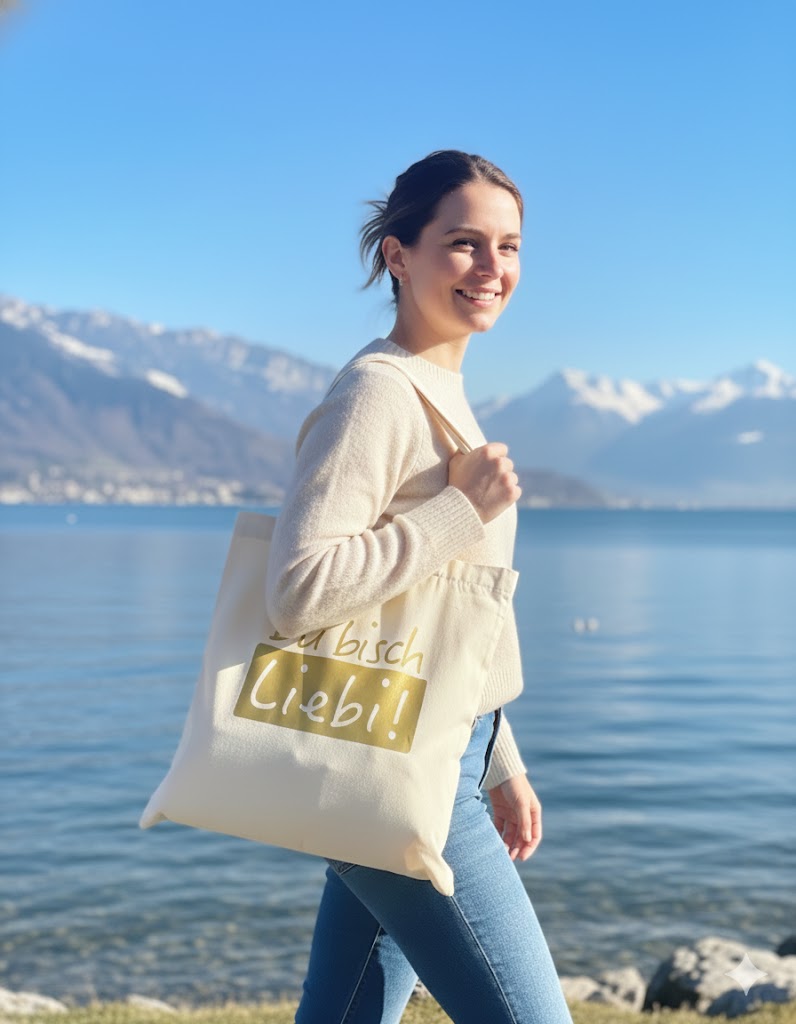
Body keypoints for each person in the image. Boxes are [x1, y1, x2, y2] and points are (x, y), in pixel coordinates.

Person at [265, 150, 573, 1024]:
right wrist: (456, 515)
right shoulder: (377, 394)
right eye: (465, 243)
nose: (493, 268)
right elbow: (296, 589)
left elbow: (451, 608)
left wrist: (499, 758)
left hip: (443, 751)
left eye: (509, 246)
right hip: (401, 764)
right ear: (399, 255)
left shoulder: (445, 394)